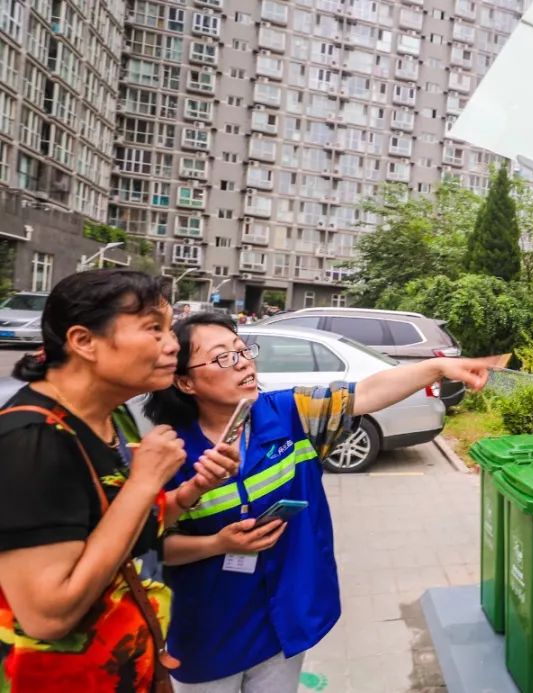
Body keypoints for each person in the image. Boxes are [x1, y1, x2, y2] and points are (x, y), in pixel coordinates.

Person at [143, 312, 494, 691]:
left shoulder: (288, 412)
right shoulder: (168, 452)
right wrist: (217, 544)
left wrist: (439, 367)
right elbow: (150, 545)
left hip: (284, 620)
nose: (243, 361)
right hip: (209, 630)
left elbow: (368, 393)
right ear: (185, 381)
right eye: (223, 357)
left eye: (243, 349)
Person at [0, 270, 240, 691]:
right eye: (154, 329)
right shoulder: (30, 441)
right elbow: (48, 615)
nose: (172, 345)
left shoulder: (114, 417)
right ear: (83, 341)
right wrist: (144, 482)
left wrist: (187, 492)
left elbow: (121, 525)